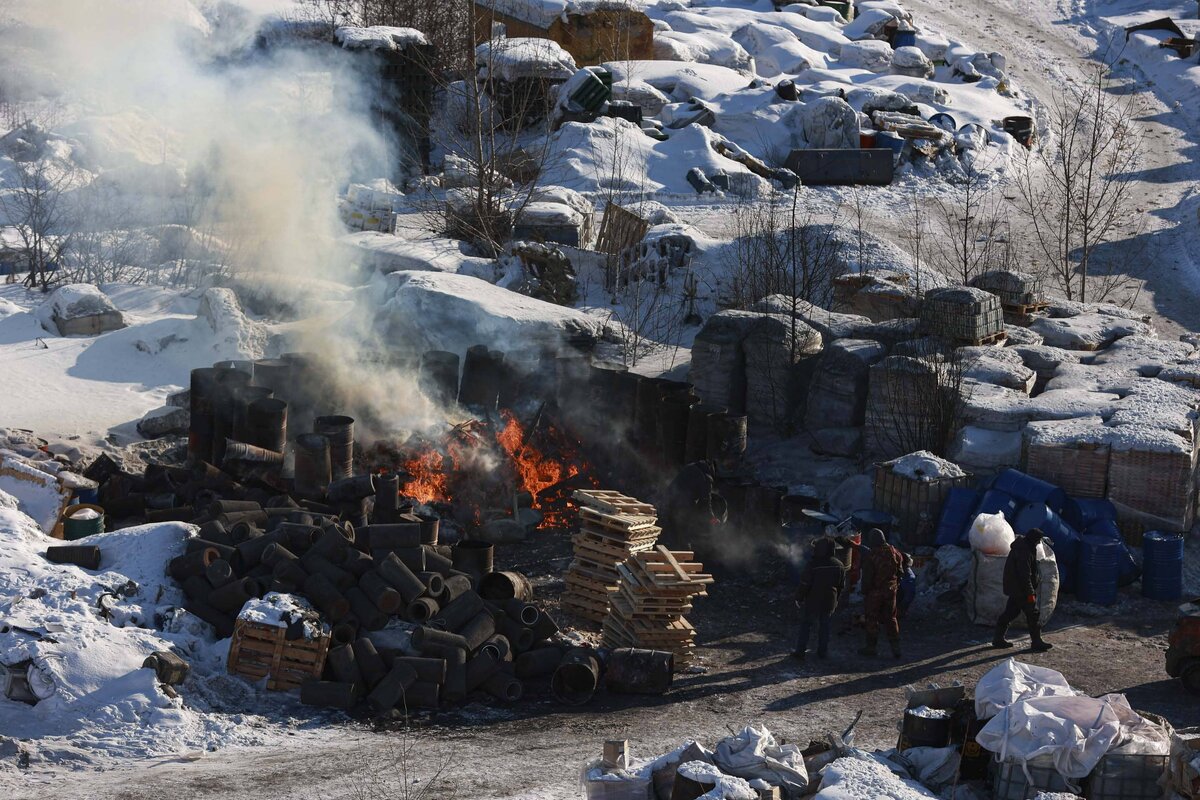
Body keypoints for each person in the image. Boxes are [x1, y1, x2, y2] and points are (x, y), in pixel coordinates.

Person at [993, 528, 1053, 652]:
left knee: (1011, 612)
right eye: (1038, 541)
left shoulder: (1024, 547)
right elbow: (1024, 575)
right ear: (1034, 539)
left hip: (1017, 589)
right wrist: (1030, 592)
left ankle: (998, 639)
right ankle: (1036, 642)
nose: (1038, 543)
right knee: (1033, 614)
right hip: (1022, 590)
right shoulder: (1024, 551)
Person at [793, 538, 846, 661]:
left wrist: (799, 597)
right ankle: (822, 652)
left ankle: (800, 652)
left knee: (806, 625)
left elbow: (805, 583)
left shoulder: (813, 564)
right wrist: (836, 600)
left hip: (813, 600)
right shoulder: (839, 565)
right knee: (825, 626)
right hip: (829, 601)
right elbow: (841, 586)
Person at [860, 528, 903, 658]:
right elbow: (900, 572)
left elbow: (867, 577)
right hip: (891, 591)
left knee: (872, 619)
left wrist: (865, 591)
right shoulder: (895, 552)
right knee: (891, 618)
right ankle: (896, 648)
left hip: (875, 592)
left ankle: (871, 647)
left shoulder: (871, 555)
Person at [897, 553, 916, 620]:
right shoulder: (901, 572)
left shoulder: (908, 576)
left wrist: (902, 606)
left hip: (901, 602)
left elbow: (910, 594)